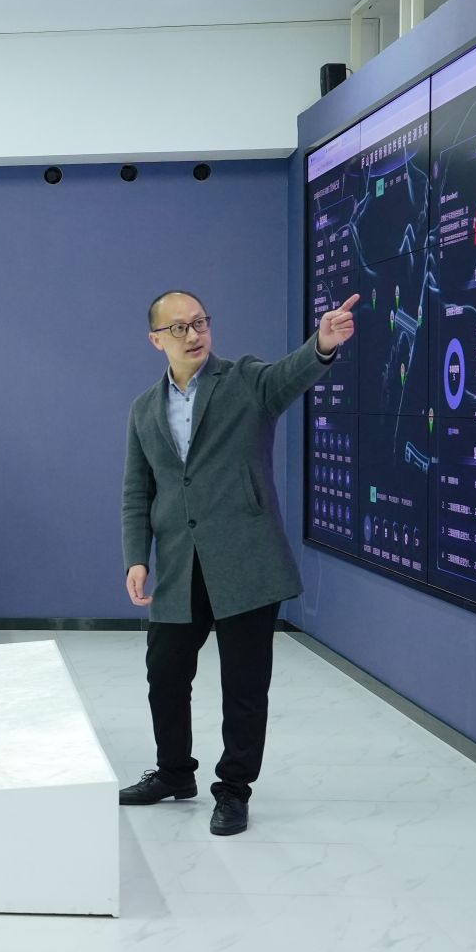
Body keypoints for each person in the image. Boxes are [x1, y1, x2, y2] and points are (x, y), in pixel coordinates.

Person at [118, 290, 358, 836]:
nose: (194, 334)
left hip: (247, 561)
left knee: (245, 685)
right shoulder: (143, 409)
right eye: (179, 328)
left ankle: (233, 790)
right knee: (165, 674)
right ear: (156, 340)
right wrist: (136, 557)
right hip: (181, 565)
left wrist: (322, 344)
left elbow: (290, 376)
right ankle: (174, 773)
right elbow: (137, 491)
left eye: (200, 322)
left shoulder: (245, 381)